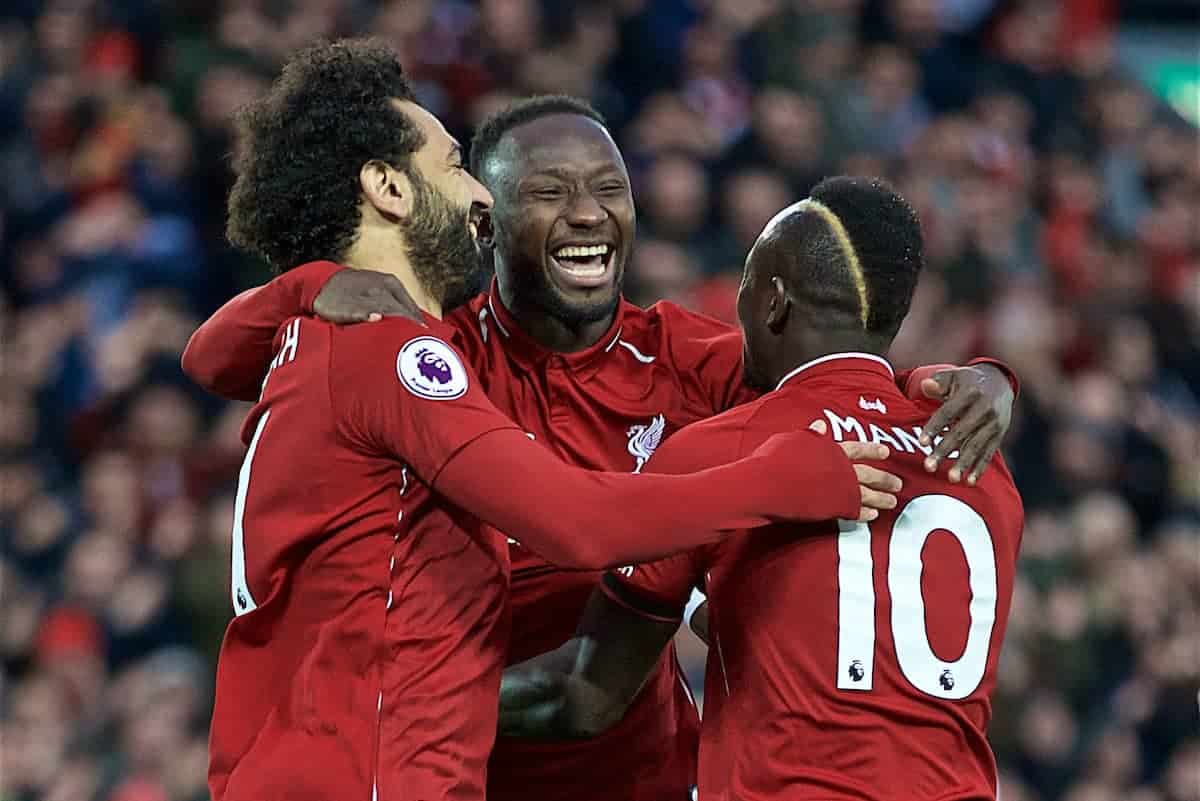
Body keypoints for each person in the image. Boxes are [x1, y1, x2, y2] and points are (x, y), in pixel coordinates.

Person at [183, 95, 1018, 800]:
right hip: (452, 770)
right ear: (489, 217)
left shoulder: (690, 361)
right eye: (548, 190)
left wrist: (976, 379)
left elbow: (835, 379)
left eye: (609, 188)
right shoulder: (429, 360)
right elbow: (210, 358)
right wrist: (303, 285)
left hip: (634, 774)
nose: (587, 212)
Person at [500, 177, 1025, 801]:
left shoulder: (723, 450)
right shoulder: (980, 461)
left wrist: (403, 696)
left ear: (773, 302)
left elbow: (582, 696)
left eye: (745, 286)